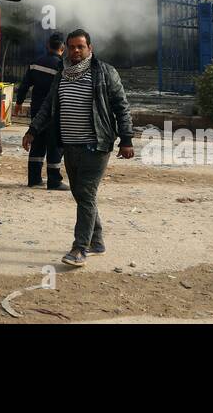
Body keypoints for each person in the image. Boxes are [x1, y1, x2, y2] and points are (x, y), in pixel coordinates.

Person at [21, 29, 134, 268]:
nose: (75, 51)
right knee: (81, 195)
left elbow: (121, 107)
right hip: (69, 145)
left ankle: (79, 248)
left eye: (80, 47)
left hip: (96, 145)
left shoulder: (104, 72)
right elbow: (48, 106)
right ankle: (97, 241)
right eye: (72, 47)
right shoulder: (62, 74)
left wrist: (126, 139)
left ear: (89, 48)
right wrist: (32, 130)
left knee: (86, 195)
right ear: (66, 48)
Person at [19, 32, 66, 189]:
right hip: (53, 112)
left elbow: (25, 85)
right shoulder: (62, 67)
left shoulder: (35, 63)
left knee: (37, 142)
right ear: (63, 48)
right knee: (54, 145)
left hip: (37, 110)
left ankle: (34, 179)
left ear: (48, 45)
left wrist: (18, 103)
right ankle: (54, 181)